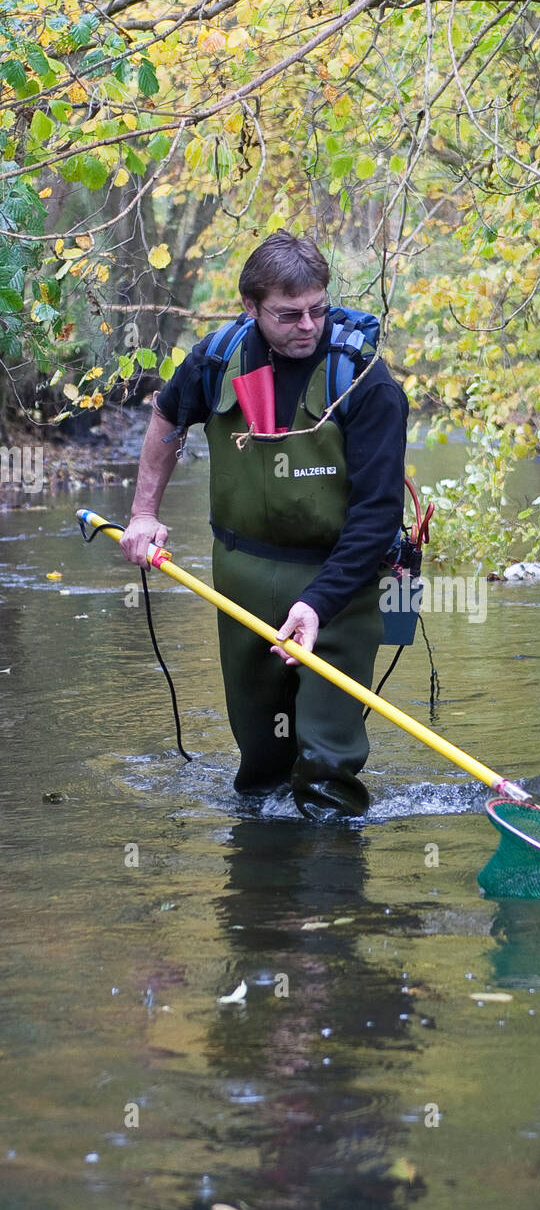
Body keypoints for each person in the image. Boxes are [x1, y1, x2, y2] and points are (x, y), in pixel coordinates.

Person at [120, 233, 408, 819]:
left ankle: (331, 891)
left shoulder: (365, 382)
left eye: (318, 310)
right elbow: (167, 417)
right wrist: (144, 513)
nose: (308, 325)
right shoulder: (217, 358)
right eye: (289, 314)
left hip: (341, 585)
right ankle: (263, 895)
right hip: (241, 579)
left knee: (328, 763)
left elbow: (378, 517)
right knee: (260, 766)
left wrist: (319, 603)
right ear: (250, 308)